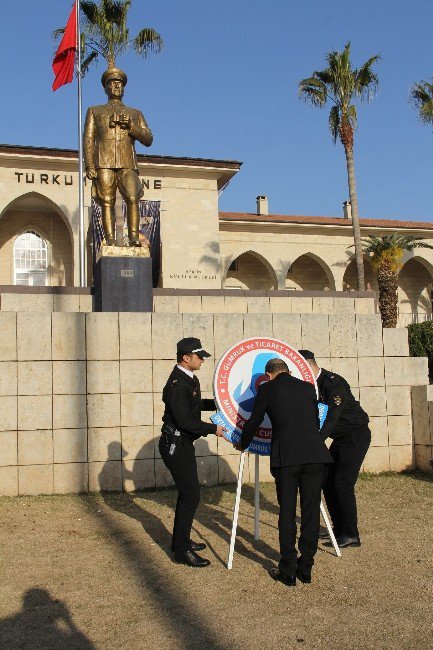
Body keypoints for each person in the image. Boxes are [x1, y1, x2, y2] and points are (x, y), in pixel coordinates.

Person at [234, 358, 332, 586]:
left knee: (287, 512)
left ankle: (288, 568)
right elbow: (313, 420)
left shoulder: (267, 388)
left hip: (287, 457)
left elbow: (254, 420)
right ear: (288, 371)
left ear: (269, 374)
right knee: (310, 511)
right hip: (314, 455)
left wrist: (243, 443)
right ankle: (306, 567)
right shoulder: (308, 388)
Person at [159, 337, 226, 567]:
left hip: (183, 444)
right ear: (186, 358)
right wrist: (213, 429)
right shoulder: (178, 385)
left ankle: (181, 541)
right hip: (175, 444)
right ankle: (181, 551)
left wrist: (220, 404)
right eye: (200, 357)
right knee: (191, 494)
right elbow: (186, 421)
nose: (203, 361)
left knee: (188, 494)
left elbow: (195, 405)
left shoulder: (189, 379)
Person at [298, 350, 371, 549]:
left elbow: (331, 417)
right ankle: (339, 529)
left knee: (342, 483)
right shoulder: (309, 386)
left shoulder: (333, 382)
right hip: (339, 438)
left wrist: (315, 442)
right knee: (327, 481)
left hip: (355, 435)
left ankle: (351, 534)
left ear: (308, 365)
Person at [84, 67, 153, 247]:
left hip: (127, 162)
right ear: (105, 87)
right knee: (107, 200)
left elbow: (148, 139)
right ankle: (110, 240)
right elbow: (89, 139)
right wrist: (90, 165)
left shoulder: (135, 113)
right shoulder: (95, 111)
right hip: (103, 162)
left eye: (120, 83)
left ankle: (134, 238)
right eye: (112, 83)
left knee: (132, 197)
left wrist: (132, 127)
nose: (116, 86)